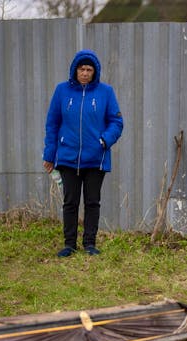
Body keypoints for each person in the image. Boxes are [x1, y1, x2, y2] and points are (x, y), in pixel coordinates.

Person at [43, 49, 124, 257]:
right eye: (82, 69)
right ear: (75, 70)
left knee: (92, 202)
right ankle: (69, 244)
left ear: (95, 72)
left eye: (89, 69)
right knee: (70, 202)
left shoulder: (106, 92)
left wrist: (104, 140)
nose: (85, 73)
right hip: (68, 157)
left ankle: (89, 243)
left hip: (96, 159)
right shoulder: (62, 91)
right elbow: (52, 124)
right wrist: (49, 155)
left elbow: (116, 122)